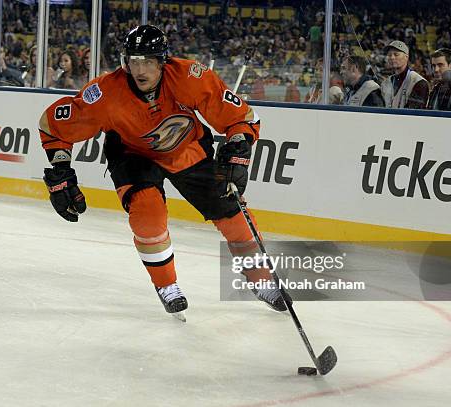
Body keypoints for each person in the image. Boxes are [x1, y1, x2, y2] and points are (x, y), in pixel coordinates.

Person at [37, 25, 291, 317]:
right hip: (134, 156)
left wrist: (238, 147)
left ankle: (262, 281)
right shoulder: (105, 94)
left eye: (147, 61)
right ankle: (166, 285)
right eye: (133, 60)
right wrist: (60, 170)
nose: (140, 69)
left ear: (162, 62)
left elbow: (240, 118)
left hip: (187, 150)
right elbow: (53, 125)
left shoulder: (190, 77)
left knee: (235, 218)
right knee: (147, 216)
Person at [380, 41, 429, 109]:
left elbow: (415, 113)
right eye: (389, 55)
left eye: (396, 54)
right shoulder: (386, 83)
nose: (392, 57)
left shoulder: (418, 82)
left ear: (406, 57)